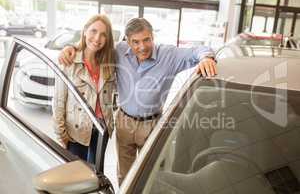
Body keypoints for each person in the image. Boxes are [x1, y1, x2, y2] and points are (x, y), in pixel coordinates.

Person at [59, 17, 217, 183]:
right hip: (123, 121)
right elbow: (93, 46)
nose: (142, 47)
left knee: (153, 174)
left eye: (146, 40)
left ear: (152, 36)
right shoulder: (119, 50)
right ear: (127, 41)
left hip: (152, 124)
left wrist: (206, 58)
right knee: (124, 175)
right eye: (135, 42)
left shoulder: (169, 55)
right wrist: (71, 48)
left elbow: (198, 51)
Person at [52, 14, 116, 164]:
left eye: (103, 35)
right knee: (76, 177)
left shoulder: (109, 62)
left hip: (101, 130)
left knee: (96, 175)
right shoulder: (69, 61)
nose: (97, 38)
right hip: (76, 132)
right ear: (85, 31)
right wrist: (61, 134)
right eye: (93, 31)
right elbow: (58, 101)